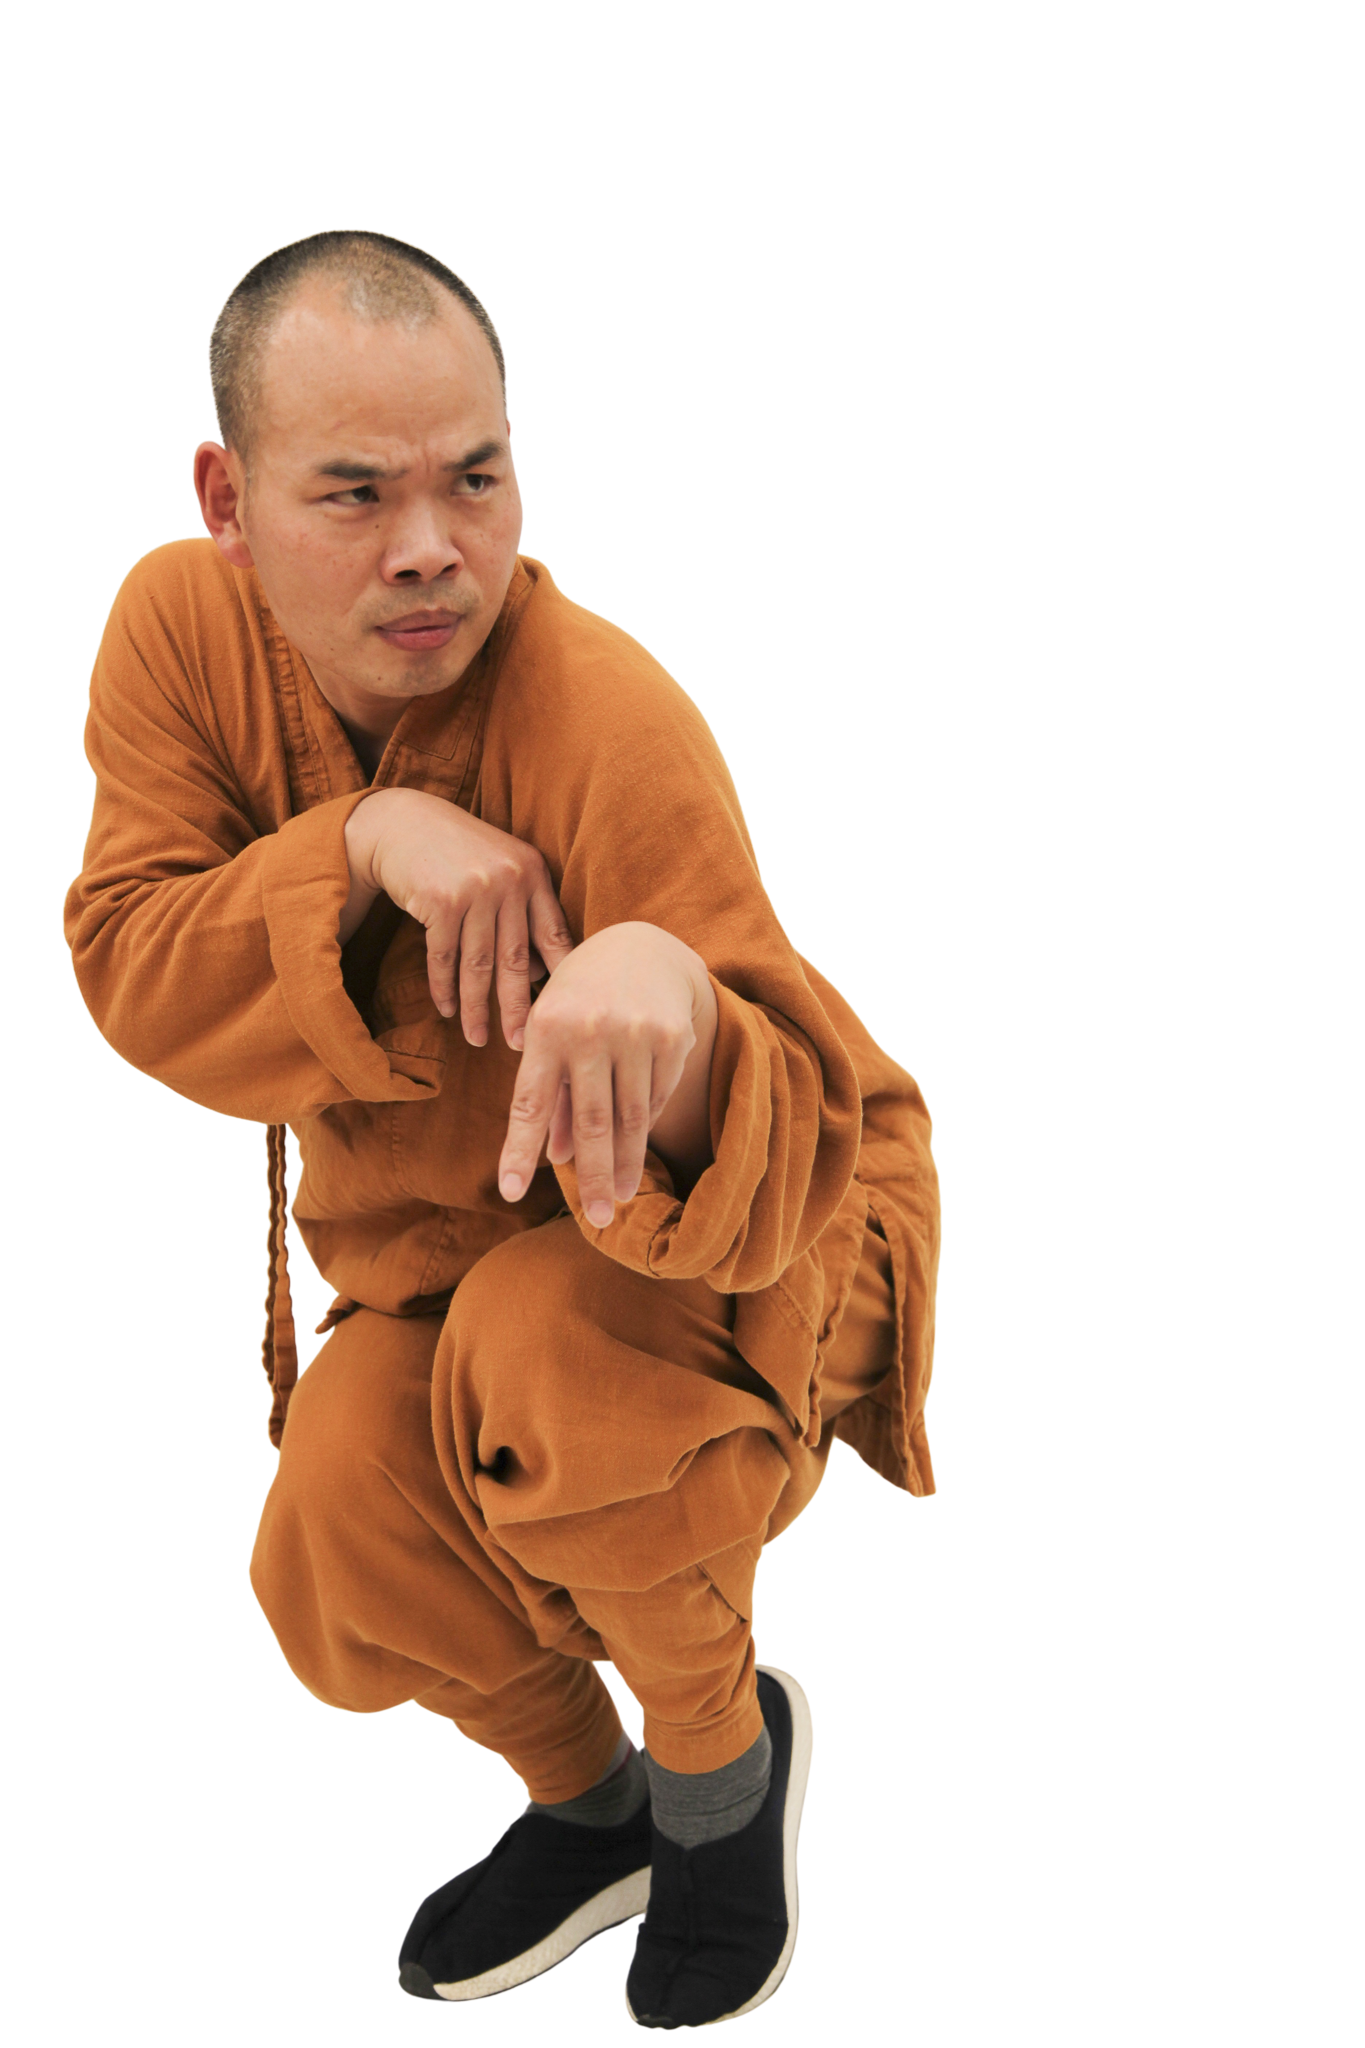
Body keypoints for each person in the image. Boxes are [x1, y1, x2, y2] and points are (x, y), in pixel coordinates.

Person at [61, 229, 941, 2029]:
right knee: (337, 1522)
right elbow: (138, 966)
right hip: (439, 1254)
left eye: (478, 477)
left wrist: (667, 1000)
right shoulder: (172, 638)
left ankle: (718, 1783)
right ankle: (597, 1802)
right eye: (356, 493)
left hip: (767, 1226)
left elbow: (790, 1116)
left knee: (557, 1360)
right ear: (223, 498)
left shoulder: (605, 716)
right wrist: (365, 848)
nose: (431, 550)